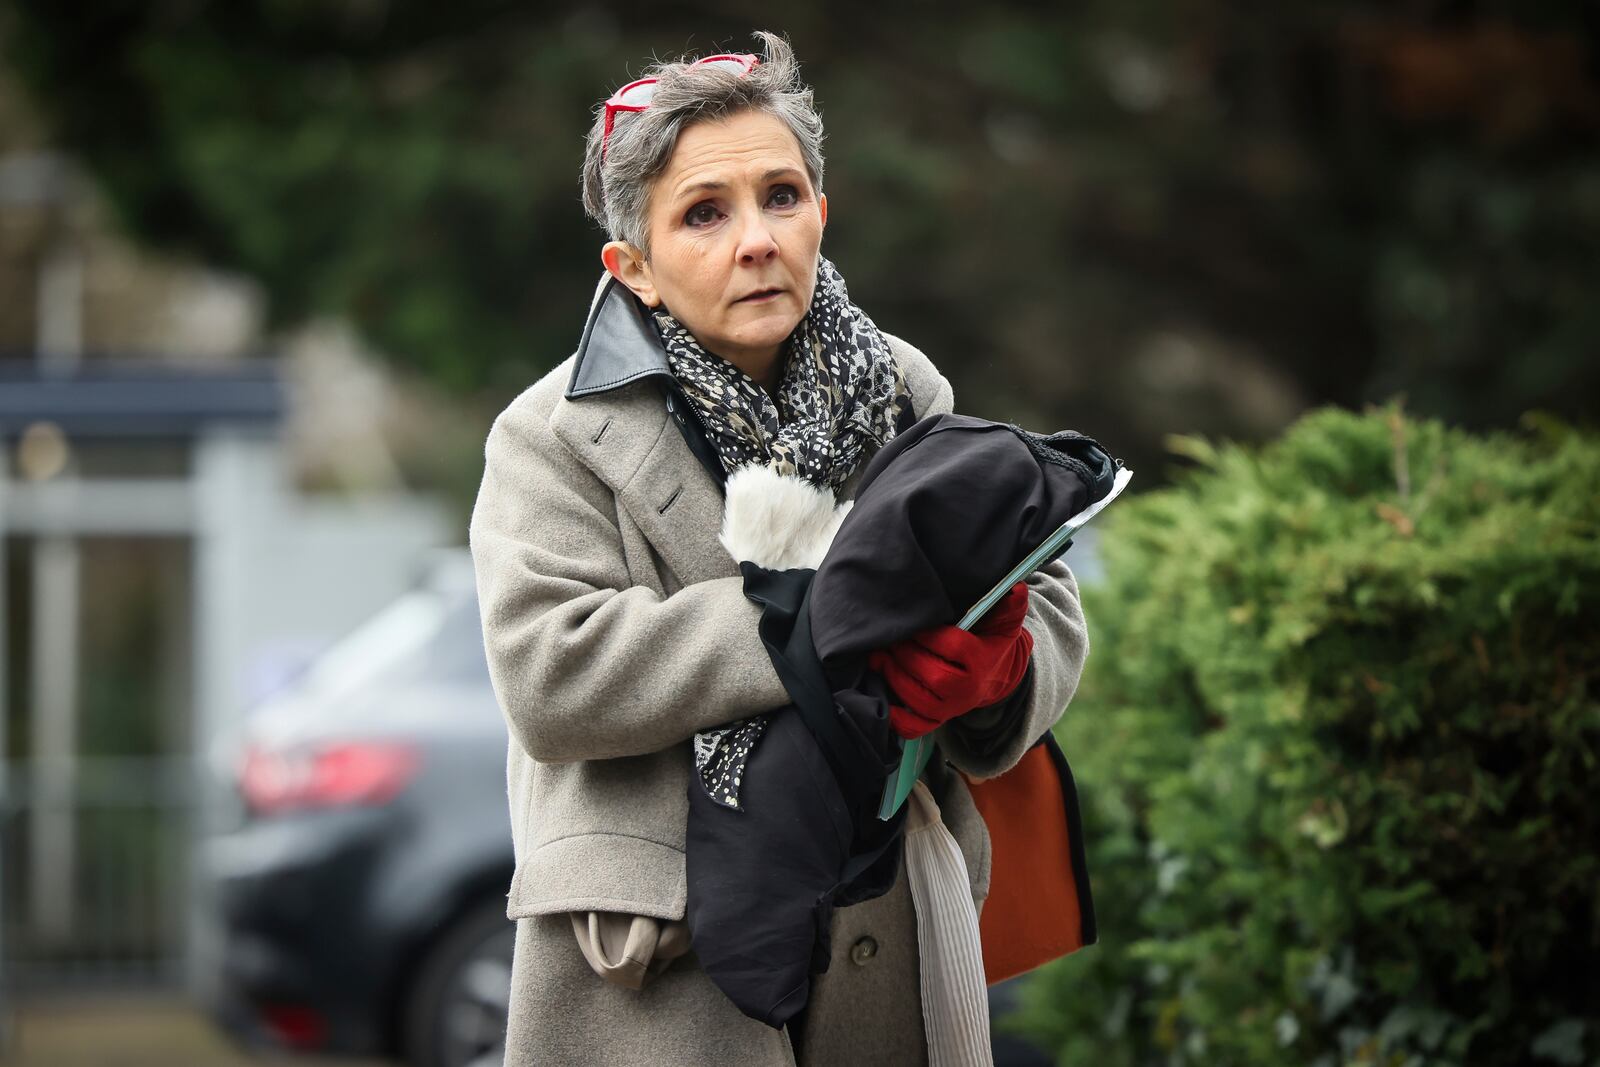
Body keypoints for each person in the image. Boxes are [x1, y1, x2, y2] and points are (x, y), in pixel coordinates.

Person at [468, 30, 1090, 1067]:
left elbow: (1043, 579)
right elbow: (551, 672)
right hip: (663, 967)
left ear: (820, 215)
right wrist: (819, 619)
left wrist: (999, 665)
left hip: (890, 928)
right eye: (704, 213)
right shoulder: (549, 433)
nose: (756, 238)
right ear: (636, 268)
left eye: (782, 196)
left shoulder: (901, 385)